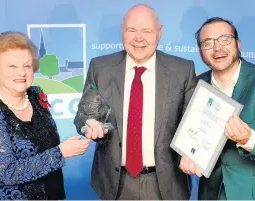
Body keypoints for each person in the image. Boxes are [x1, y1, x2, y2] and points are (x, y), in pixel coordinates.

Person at [74, 4, 197, 200]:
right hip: (115, 184)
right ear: (122, 31)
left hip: (166, 184)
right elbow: (86, 112)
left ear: (159, 33)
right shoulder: (100, 67)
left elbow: (195, 122)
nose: (138, 38)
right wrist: (90, 123)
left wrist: (195, 151)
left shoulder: (182, 70)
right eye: (131, 30)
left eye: (147, 31)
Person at [179, 17, 255, 200]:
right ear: (200, 51)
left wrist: (249, 139)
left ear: (238, 44)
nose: (217, 48)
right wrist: (187, 152)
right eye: (208, 43)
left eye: (224, 39)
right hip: (212, 194)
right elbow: (189, 134)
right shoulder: (196, 85)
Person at [0, 32, 91, 200]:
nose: (22, 73)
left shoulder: (35, 95)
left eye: (27, 66)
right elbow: (8, 172)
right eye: (12, 66)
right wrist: (60, 152)